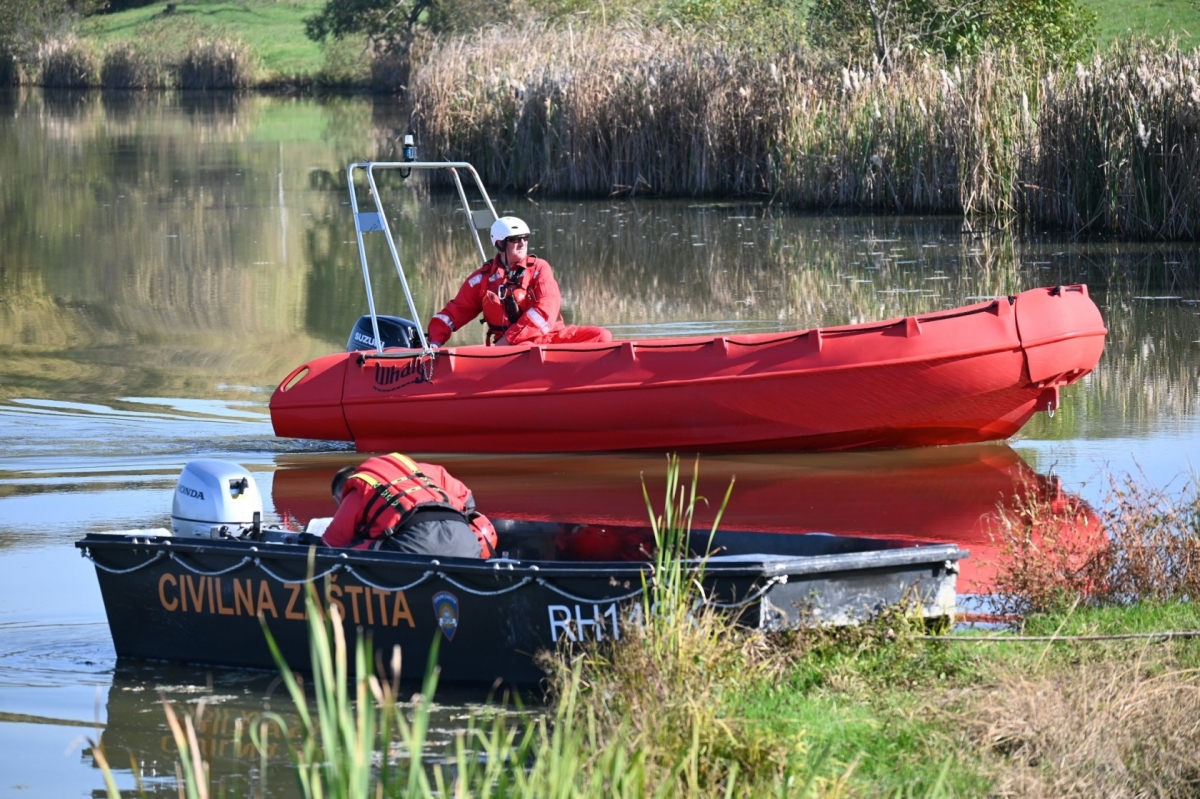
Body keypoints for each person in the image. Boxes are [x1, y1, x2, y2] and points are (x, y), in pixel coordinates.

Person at [426, 216, 613, 347]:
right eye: (515, 240)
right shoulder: (481, 280)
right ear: (500, 244)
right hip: (515, 350)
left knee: (602, 336)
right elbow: (454, 312)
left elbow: (546, 308)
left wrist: (506, 342)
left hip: (547, 338)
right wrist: (434, 341)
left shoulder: (539, 268)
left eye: (525, 238)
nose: (522, 243)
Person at [321, 453, 496, 558]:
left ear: (339, 497)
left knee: (354, 549)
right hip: (467, 544)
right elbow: (467, 498)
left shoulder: (357, 492)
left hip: (416, 546)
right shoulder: (424, 470)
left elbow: (332, 543)